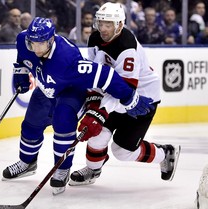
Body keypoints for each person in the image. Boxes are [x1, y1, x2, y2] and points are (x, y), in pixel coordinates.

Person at [2, 16, 155, 195]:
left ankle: (62, 168)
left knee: (63, 121)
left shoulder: (68, 59)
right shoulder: (23, 39)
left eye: (40, 44)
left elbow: (105, 75)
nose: (35, 48)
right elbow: (22, 57)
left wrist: (129, 97)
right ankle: (27, 162)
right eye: (32, 43)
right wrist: (20, 71)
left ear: (51, 40)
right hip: (45, 89)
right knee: (31, 123)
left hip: (70, 92)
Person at [69, 2, 181, 186]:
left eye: (108, 24)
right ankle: (93, 169)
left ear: (119, 25)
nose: (103, 29)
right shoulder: (95, 37)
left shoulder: (127, 47)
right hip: (116, 93)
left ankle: (164, 153)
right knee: (98, 135)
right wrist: (94, 105)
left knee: (122, 151)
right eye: (101, 23)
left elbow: (127, 90)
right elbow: (95, 72)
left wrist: (100, 110)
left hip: (140, 99)